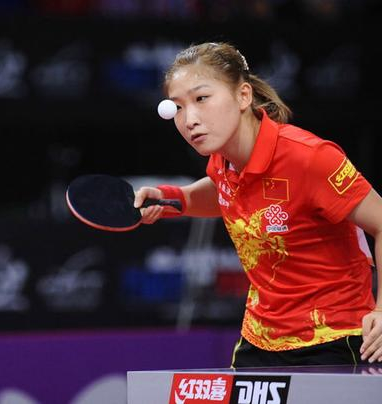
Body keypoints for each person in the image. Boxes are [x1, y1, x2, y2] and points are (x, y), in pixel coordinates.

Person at [134, 42, 382, 367]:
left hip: (333, 338)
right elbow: (225, 191)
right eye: (178, 107)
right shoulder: (222, 159)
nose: (189, 119)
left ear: (243, 96)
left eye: (201, 98)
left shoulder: (310, 158)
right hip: (259, 340)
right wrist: (176, 199)